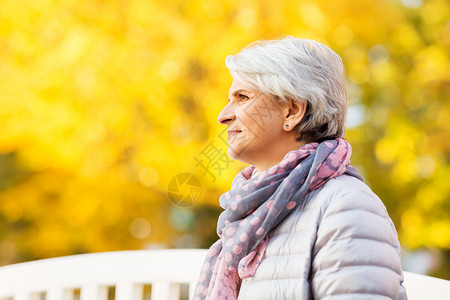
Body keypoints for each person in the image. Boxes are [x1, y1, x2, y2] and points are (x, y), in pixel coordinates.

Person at [194, 36, 406, 300]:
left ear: (292, 111)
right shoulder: (253, 212)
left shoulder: (347, 207)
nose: (223, 115)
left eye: (242, 97)